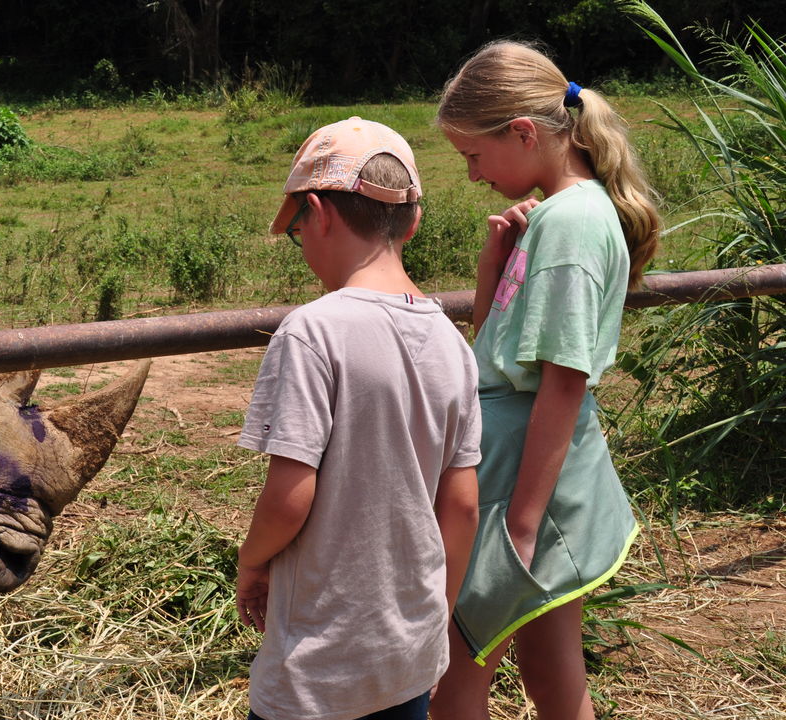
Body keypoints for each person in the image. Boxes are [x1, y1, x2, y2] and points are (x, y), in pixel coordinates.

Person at [431, 41, 662, 720]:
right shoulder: (559, 218)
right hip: (531, 476)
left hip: (524, 492)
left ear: (525, 133)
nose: (472, 175)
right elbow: (501, 349)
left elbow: (564, 381)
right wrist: (492, 269)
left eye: (474, 157)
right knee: (551, 669)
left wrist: (521, 528)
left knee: (453, 677)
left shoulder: (569, 226)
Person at [235, 116, 482, 720]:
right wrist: (435, 615)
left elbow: (290, 497)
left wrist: (251, 562)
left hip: (319, 665)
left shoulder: (312, 333)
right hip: (408, 657)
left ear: (316, 212)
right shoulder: (454, 344)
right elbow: (464, 506)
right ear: (413, 222)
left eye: (296, 231)